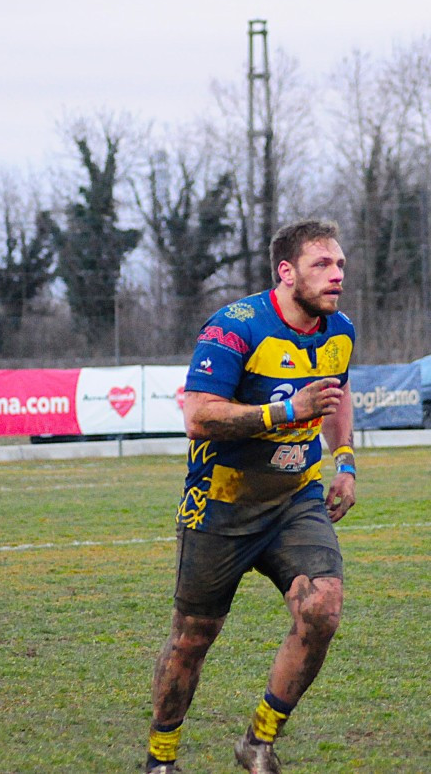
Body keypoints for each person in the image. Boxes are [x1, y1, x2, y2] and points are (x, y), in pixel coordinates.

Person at [144, 218, 357, 774]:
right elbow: (198, 416)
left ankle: (258, 740)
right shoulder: (234, 328)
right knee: (193, 637)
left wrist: (345, 462)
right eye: (322, 264)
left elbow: (339, 395)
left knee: (322, 609)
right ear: (286, 272)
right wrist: (286, 411)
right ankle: (161, 759)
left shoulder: (340, 331)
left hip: (295, 501)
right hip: (222, 503)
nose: (336, 274)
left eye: (339, 264)